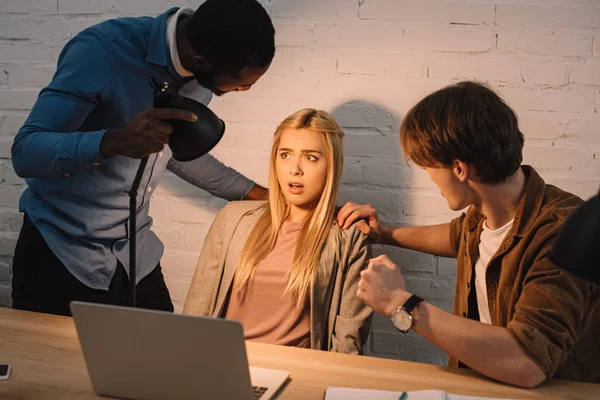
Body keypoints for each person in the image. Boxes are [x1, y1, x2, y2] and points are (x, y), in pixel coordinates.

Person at [10, 0, 275, 316]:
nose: (245, 89)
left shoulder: (199, 73)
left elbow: (175, 153)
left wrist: (261, 195)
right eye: (241, 84)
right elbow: (26, 152)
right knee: (62, 365)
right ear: (200, 61)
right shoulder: (101, 52)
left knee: (166, 361)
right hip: (61, 257)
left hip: (135, 257)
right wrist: (112, 141)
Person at [337, 81, 600, 386]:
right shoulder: (484, 213)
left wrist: (401, 302)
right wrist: (386, 234)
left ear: (459, 169)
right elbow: (455, 236)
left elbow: (529, 363)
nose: (430, 178)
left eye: (429, 167)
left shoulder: (560, 232)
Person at [184, 109, 373, 354]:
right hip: (225, 362)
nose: (295, 169)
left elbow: (347, 342)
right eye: (285, 155)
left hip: (299, 372)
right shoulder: (233, 219)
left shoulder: (349, 236)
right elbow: (197, 310)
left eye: (311, 158)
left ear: (332, 165)